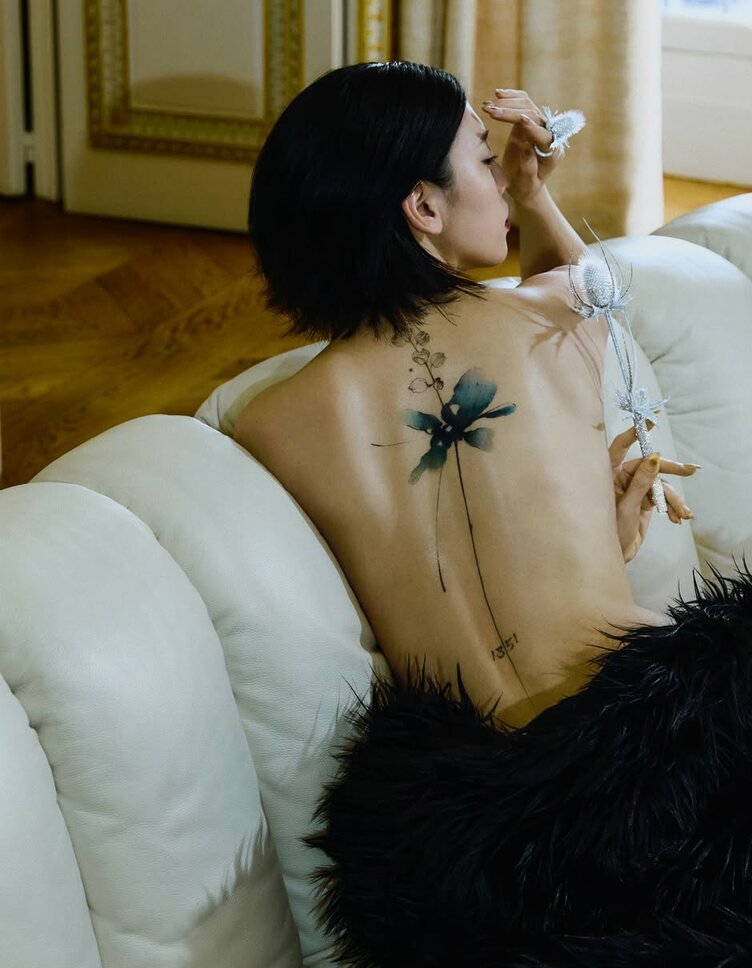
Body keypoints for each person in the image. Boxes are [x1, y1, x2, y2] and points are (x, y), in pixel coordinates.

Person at [235, 60, 698, 727]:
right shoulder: (548, 315)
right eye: (486, 160)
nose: (503, 177)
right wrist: (535, 193)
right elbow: (590, 287)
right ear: (424, 207)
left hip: (475, 778)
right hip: (652, 726)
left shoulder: (270, 422)